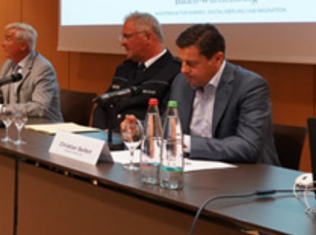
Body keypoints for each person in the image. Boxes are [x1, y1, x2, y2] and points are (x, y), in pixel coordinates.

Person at [168, 24, 279, 165]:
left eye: (191, 63)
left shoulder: (250, 86)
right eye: (181, 61)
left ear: (217, 59)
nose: (183, 70)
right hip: (192, 169)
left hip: (243, 175)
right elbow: (170, 129)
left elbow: (247, 146)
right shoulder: (181, 83)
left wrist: (187, 143)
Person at [92, 12, 179, 131]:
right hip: (110, 139)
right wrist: (101, 134)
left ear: (147, 37)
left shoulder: (174, 71)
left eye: (127, 36)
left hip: (140, 142)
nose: (122, 42)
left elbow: (166, 120)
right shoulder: (124, 69)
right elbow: (103, 105)